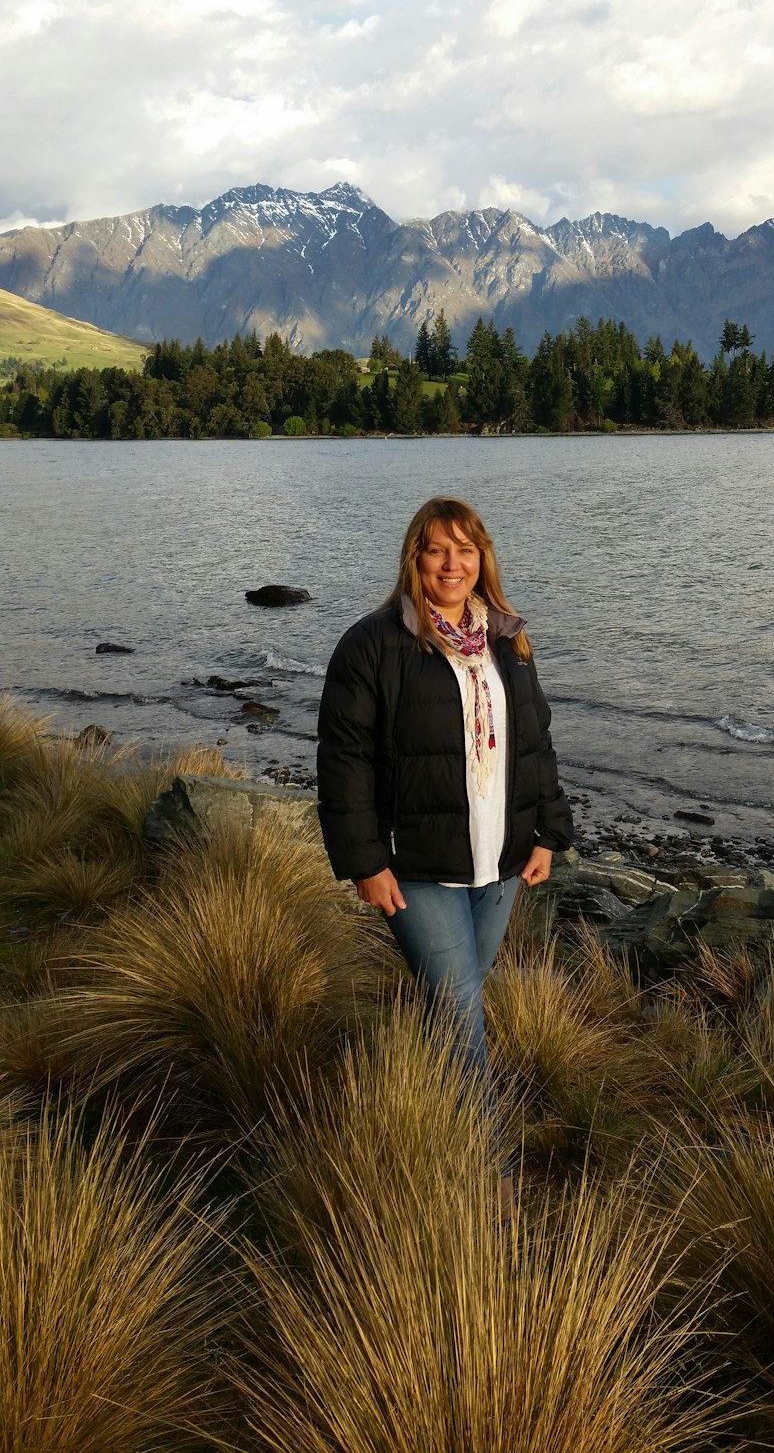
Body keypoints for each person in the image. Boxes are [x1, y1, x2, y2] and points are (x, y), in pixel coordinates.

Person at [316, 495, 574, 1190]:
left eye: (465, 549)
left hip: (500, 864)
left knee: (450, 1003)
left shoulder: (508, 640)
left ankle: (419, 1112)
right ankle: (488, 1181)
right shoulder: (373, 645)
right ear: (414, 559)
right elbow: (344, 764)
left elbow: (536, 744)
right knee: (460, 1012)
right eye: (437, 550)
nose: (452, 564)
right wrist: (364, 861)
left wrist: (549, 831)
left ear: (482, 557)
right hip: (418, 867)